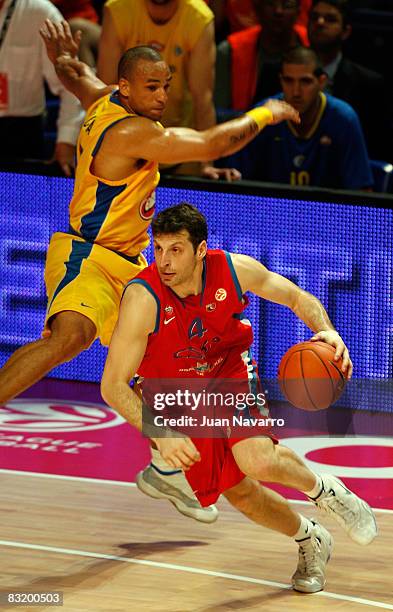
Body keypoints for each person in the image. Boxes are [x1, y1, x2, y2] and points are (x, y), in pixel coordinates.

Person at [0, 19, 299, 522]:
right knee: (70, 336)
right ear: (126, 87)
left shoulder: (105, 99)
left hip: (133, 261)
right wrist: (266, 112)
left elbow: (80, 79)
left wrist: (63, 62)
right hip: (89, 254)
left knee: (164, 370)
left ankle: (165, 470)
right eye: (152, 86)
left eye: (165, 86)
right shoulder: (132, 130)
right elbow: (210, 146)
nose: (162, 95)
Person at [101, 202, 377, 593]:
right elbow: (112, 385)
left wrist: (326, 330)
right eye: (158, 248)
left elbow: (298, 297)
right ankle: (311, 538)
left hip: (227, 369)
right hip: (175, 395)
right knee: (241, 494)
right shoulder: (143, 298)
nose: (163, 260)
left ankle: (328, 492)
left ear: (200, 250)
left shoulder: (233, 269)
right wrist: (160, 431)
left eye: (175, 249)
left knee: (256, 457)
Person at [97, 0, 234, 179]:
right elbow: (106, 91)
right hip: (128, 148)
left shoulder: (199, 17)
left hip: (182, 145)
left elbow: (203, 97)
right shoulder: (118, 9)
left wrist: (206, 164)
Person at [221, 46, 373, 190]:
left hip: (327, 213)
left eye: (305, 81)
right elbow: (234, 175)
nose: (296, 92)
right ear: (280, 80)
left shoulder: (344, 119)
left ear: (322, 81)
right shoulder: (264, 114)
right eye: (288, 81)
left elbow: (362, 190)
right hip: (270, 211)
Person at [0, 0, 84, 175]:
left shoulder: (40, 11)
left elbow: (70, 81)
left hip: (21, 133)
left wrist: (66, 141)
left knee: (17, 200)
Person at [308, 0, 392, 161]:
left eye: (330, 19)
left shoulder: (369, 84)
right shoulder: (277, 72)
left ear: (346, 31)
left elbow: (377, 146)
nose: (320, 23)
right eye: (314, 17)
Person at [214, 0, 309, 114]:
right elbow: (217, 113)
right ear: (257, 9)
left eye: (287, 5)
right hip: (247, 127)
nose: (278, 11)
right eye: (270, 3)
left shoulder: (314, 45)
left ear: (299, 11)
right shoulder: (230, 51)